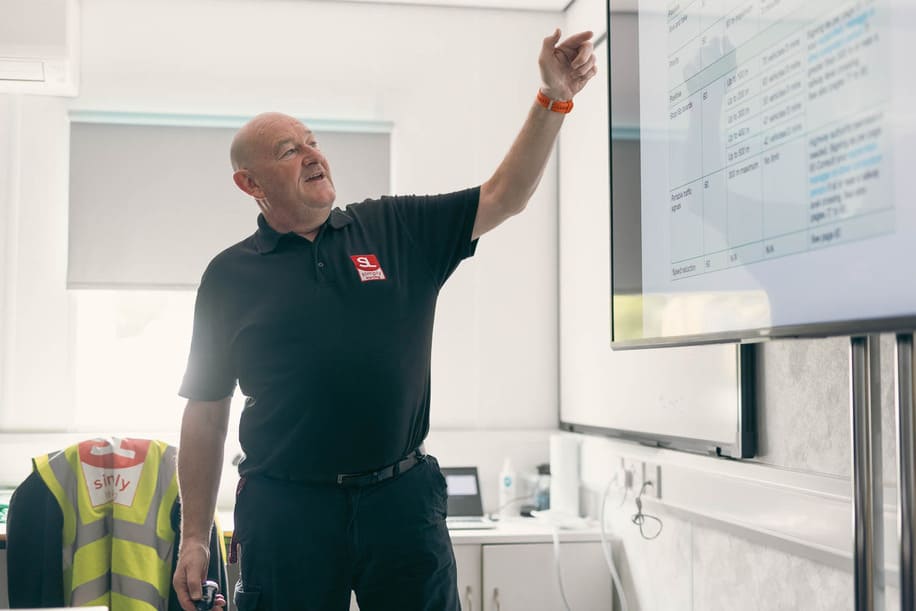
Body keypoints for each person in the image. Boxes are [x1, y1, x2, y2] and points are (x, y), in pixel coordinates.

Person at [172, 28, 598, 611]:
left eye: (312, 142)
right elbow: (205, 410)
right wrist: (194, 536)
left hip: (401, 503)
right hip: (286, 510)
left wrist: (554, 99)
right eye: (288, 151)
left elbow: (506, 195)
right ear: (250, 183)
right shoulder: (228, 276)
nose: (313, 154)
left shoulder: (395, 229)